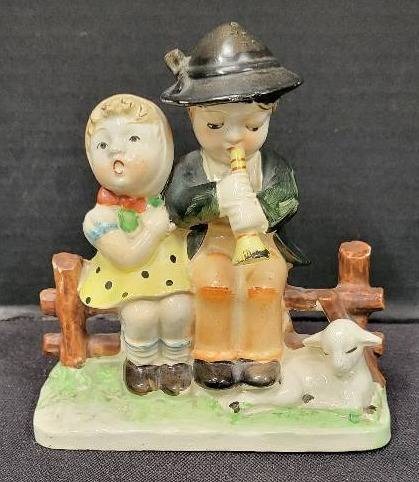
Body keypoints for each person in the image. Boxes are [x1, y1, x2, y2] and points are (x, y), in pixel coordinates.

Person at [162, 22, 309, 389]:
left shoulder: (270, 165)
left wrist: (256, 210)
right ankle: (214, 355)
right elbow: (176, 205)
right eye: (214, 125)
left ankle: (261, 355)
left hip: (261, 242)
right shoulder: (192, 166)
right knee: (214, 284)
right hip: (210, 245)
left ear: (269, 112)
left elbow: (288, 197)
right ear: (192, 115)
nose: (232, 137)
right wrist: (219, 198)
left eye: (252, 126)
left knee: (265, 284)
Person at [78, 94, 193, 396]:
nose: (116, 151)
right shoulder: (99, 218)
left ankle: (176, 363)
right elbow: (127, 258)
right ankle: (142, 364)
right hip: (127, 282)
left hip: (176, 278)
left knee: (180, 309)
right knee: (140, 315)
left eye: (132, 138)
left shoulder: (174, 200)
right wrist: (153, 231)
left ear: (163, 149)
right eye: (103, 144)